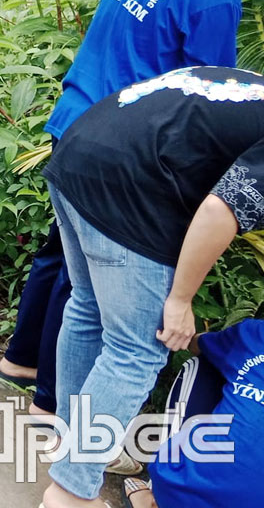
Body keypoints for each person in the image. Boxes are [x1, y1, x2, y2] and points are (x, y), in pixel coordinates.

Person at [0, 0, 262, 411]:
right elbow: (211, 94)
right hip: (129, 151)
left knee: (62, 259)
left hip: (81, 117)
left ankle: (23, 361)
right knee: (87, 289)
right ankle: (53, 401)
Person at [39, 66, 264, 508]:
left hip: (79, 153)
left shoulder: (252, 87)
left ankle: (70, 447)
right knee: (137, 350)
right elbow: (220, 211)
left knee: (87, 308)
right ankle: (67, 492)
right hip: (130, 192)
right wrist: (180, 299)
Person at [124, 319, 264, 508]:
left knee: (204, 363)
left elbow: (196, 344)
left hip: (181, 494)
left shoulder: (256, 335)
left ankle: (159, 497)